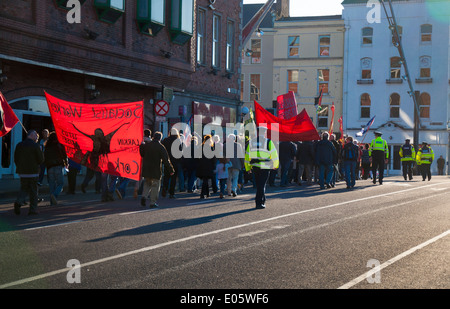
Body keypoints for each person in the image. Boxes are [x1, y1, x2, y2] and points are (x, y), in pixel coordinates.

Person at [244, 126, 279, 209]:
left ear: (257, 132)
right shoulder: (268, 142)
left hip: (255, 167)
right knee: (261, 185)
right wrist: (275, 165)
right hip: (265, 167)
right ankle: (259, 203)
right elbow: (274, 154)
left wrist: (248, 168)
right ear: (265, 132)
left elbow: (247, 156)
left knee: (259, 185)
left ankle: (262, 200)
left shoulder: (251, 142)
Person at [139, 131, 174, 208]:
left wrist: (141, 146)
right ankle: (152, 202)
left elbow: (142, 154)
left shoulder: (147, 145)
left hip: (147, 168)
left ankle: (144, 196)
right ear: (160, 138)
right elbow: (166, 160)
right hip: (156, 169)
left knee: (147, 183)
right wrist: (171, 170)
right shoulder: (161, 147)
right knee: (155, 185)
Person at [13, 130, 44, 215]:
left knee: (24, 188)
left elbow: (16, 158)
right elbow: (41, 159)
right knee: (33, 191)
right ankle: (32, 209)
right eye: (36, 135)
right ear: (31, 135)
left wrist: (20, 166)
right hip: (33, 171)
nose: (37, 137)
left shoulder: (19, 145)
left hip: (22, 172)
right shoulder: (35, 146)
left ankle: (19, 201)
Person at [44, 131, 68, 205]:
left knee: (51, 184)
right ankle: (54, 195)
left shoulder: (47, 146)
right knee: (60, 183)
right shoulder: (60, 145)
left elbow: (45, 157)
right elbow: (64, 155)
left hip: (49, 167)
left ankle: (52, 200)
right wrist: (66, 163)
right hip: (58, 165)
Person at [162, 128, 182, 198]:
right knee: (173, 178)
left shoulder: (165, 140)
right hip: (175, 161)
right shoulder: (178, 141)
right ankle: (171, 193)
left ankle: (165, 187)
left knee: (166, 176)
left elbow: (162, 150)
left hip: (167, 161)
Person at [197, 135, 217, 199]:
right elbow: (213, 158)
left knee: (205, 179)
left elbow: (197, 156)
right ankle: (203, 193)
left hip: (201, 165)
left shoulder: (201, 147)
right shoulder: (210, 147)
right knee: (206, 180)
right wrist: (214, 165)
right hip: (208, 165)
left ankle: (207, 193)